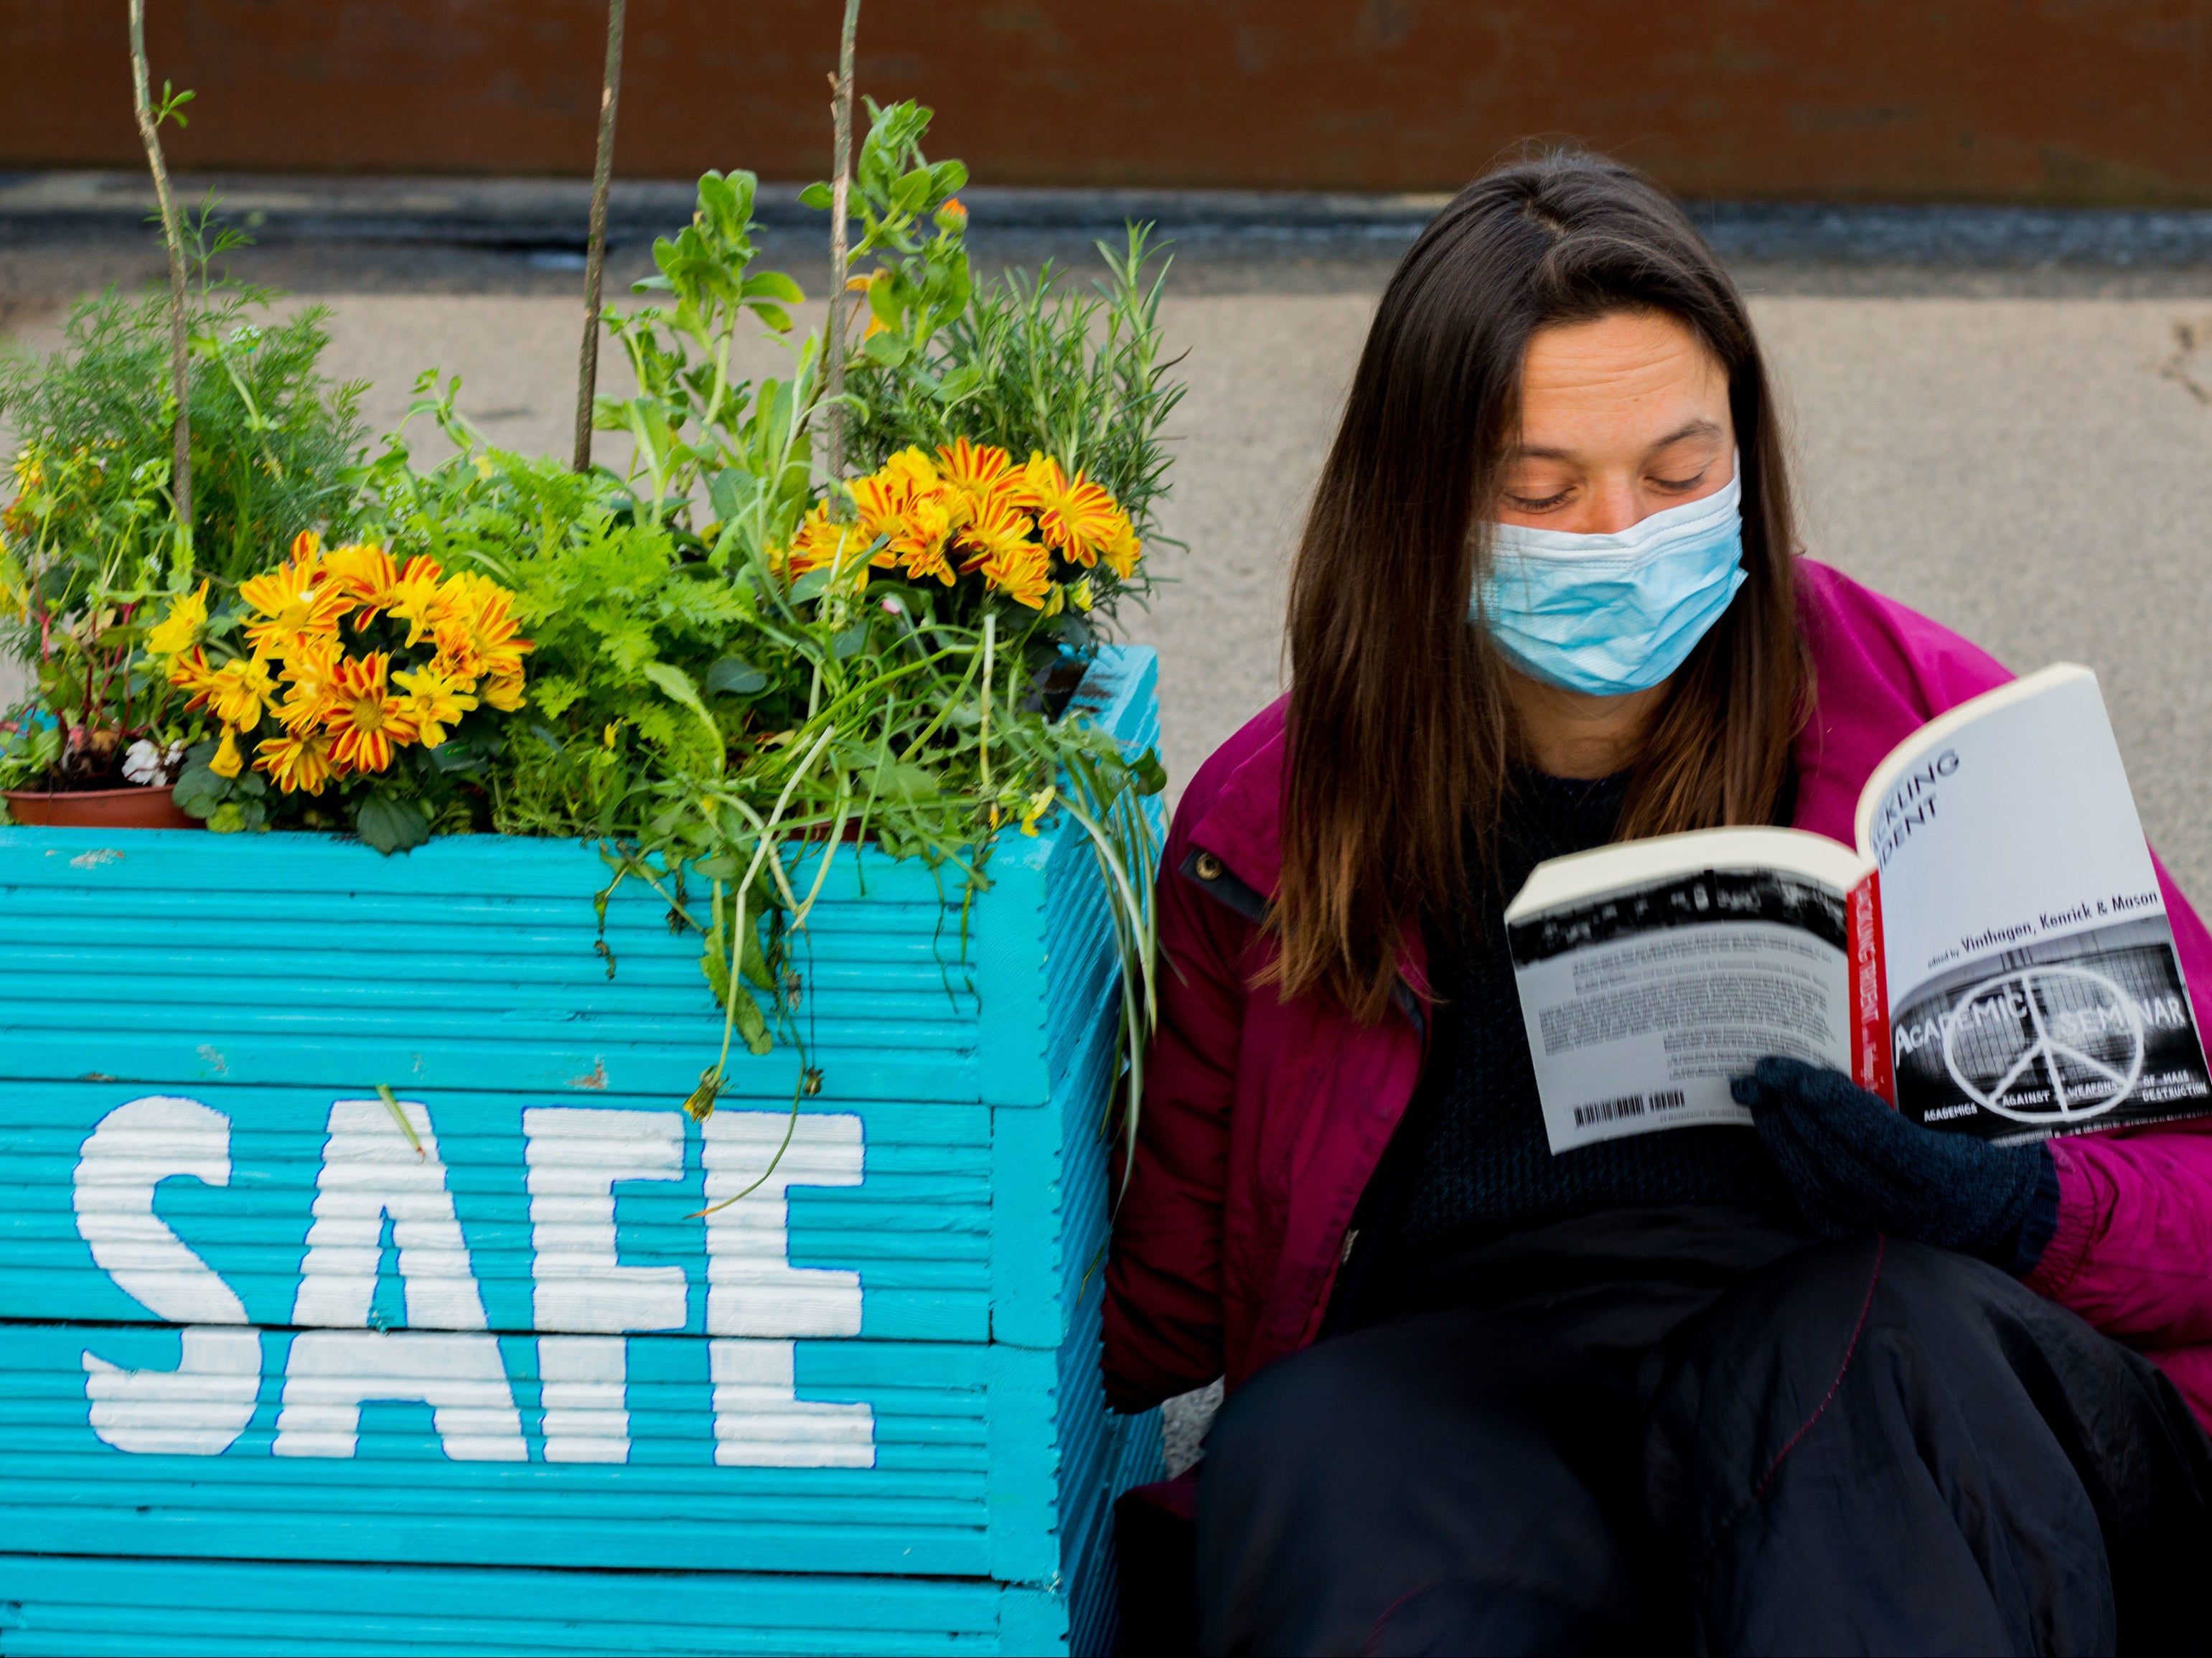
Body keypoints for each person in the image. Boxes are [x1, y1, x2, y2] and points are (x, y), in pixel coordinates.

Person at [1103, 151, 2212, 1656]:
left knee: (1846, 1364)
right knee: (1311, 1441)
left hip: (1866, 1348)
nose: (1618, 534)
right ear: (1416, 506)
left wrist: (2013, 1203)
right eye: (1536, 490)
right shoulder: (1268, 826)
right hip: (1468, 1379)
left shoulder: (1932, 730)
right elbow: (1151, 1307)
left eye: (1678, 474)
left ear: (1744, 458)